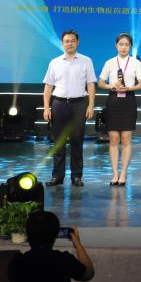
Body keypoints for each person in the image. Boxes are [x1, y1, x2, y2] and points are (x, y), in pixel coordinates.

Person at [42, 29, 96, 187]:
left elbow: (91, 84)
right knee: (58, 141)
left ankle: (77, 176)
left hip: (79, 104)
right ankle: (57, 176)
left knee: (77, 141)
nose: (70, 43)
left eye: (73, 41)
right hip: (59, 104)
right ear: (62, 43)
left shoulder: (86, 61)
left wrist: (91, 105)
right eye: (67, 41)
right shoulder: (55, 62)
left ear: (77, 42)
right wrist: (46, 108)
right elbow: (48, 87)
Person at [97, 32, 141, 187]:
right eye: (121, 44)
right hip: (113, 101)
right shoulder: (110, 62)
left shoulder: (136, 63)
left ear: (130, 47)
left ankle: (123, 173)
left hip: (128, 101)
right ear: (116, 45)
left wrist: (129, 87)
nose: (124, 47)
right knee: (113, 139)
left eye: (127, 45)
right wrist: (110, 85)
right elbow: (100, 82)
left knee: (126, 138)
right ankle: (115, 174)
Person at [8, 210, 94, 282]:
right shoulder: (64, 260)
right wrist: (78, 245)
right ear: (55, 235)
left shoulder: (17, 262)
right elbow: (88, 274)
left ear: (27, 234)